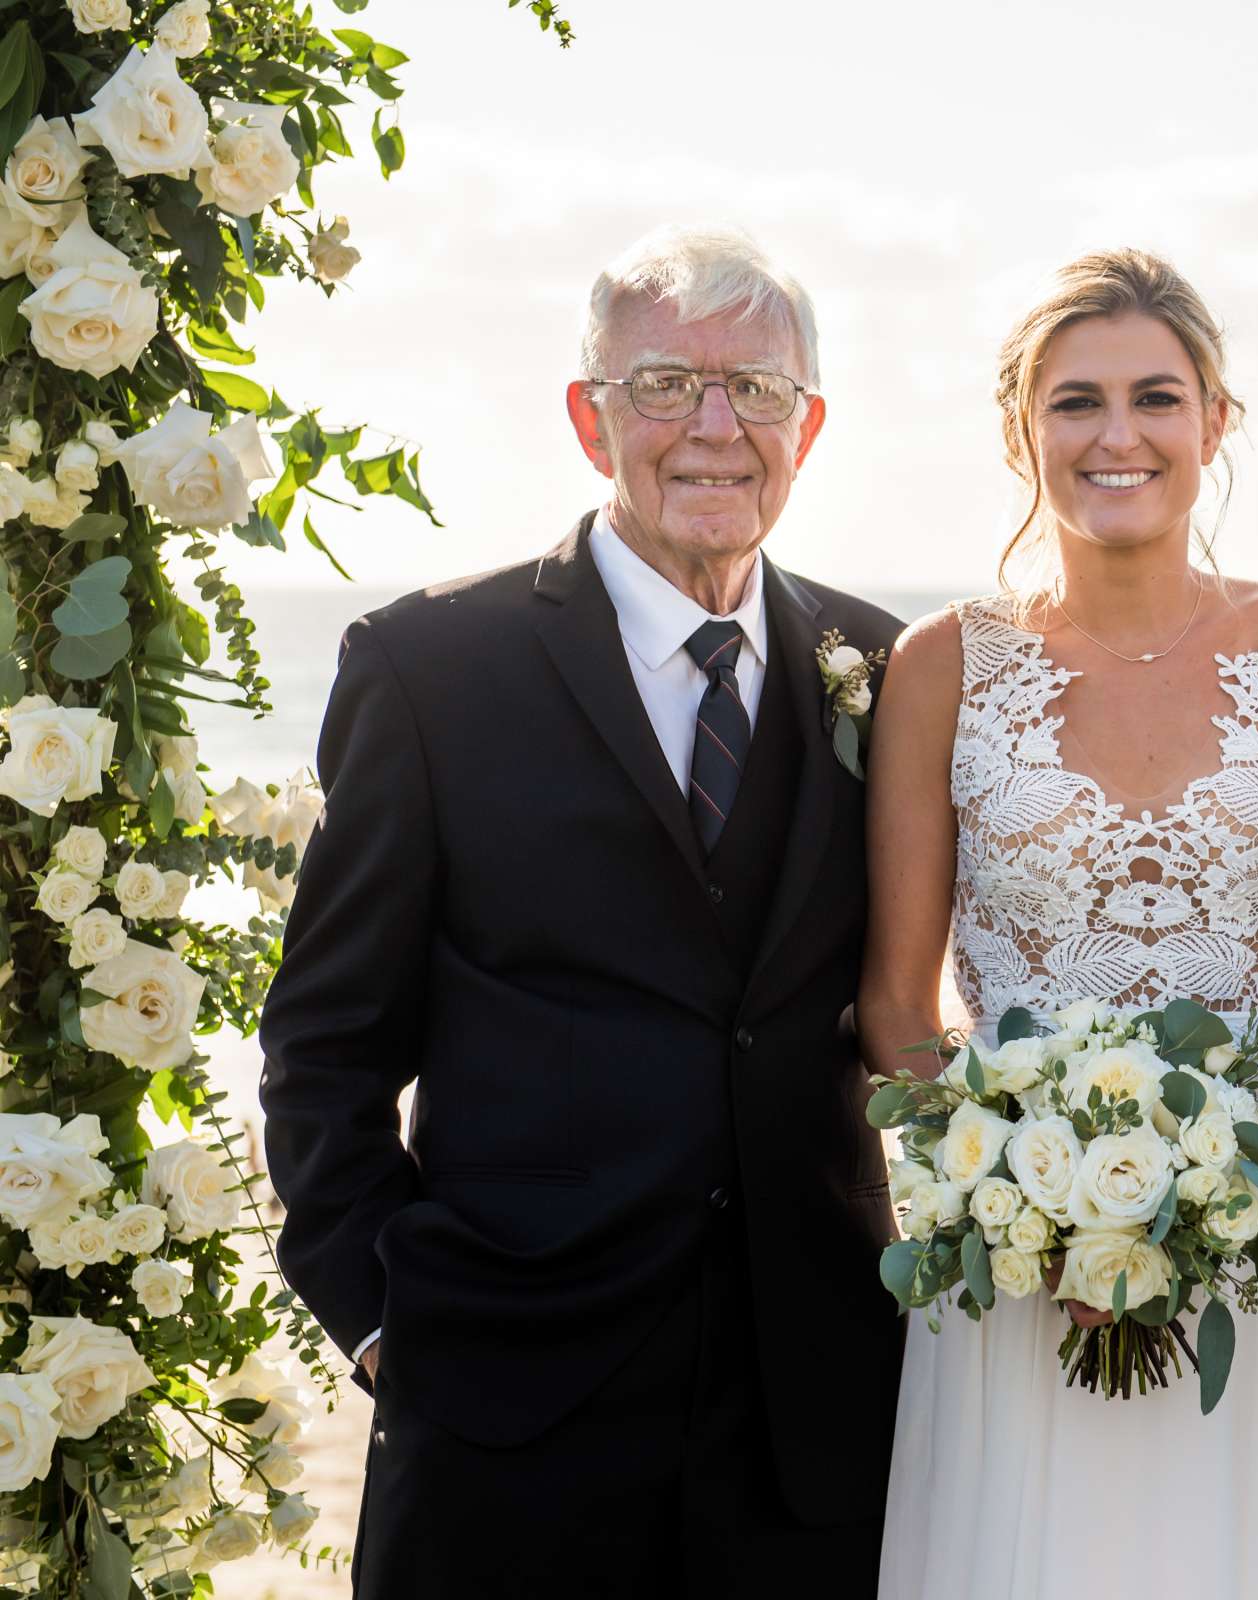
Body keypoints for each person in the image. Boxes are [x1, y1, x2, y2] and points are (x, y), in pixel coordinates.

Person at [260, 225, 905, 1596]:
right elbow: (324, 1042)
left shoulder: (886, 667)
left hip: (815, 1427)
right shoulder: (432, 668)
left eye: (758, 392)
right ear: (587, 415)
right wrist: (382, 1318)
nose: (716, 428)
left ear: (812, 425)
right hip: (505, 1410)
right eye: (666, 384)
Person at [860, 248, 1258, 1598]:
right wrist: (1018, 1209)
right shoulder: (944, 667)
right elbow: (894, 1000)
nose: (1119, 436)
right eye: (1075, 402)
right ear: (1019, 431)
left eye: (1158, 398)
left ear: (1216, 423)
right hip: (1013, 1241)